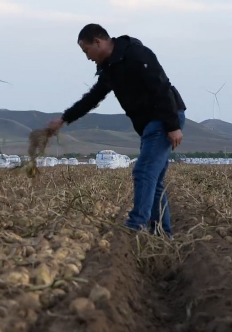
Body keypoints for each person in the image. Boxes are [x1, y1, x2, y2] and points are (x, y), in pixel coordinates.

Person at [46, 24, 187, 238]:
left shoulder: (136, 54)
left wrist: (173, 126)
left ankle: (135, 225)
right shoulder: (110, 68)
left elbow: (161, 86)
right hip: (151, 123)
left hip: (163, 118)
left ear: (98, 42)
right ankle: (162, 235)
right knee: (154, 179)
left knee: (144, 171)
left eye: (86, 51)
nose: (87, 57)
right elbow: (93, 97)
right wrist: (65, 118)